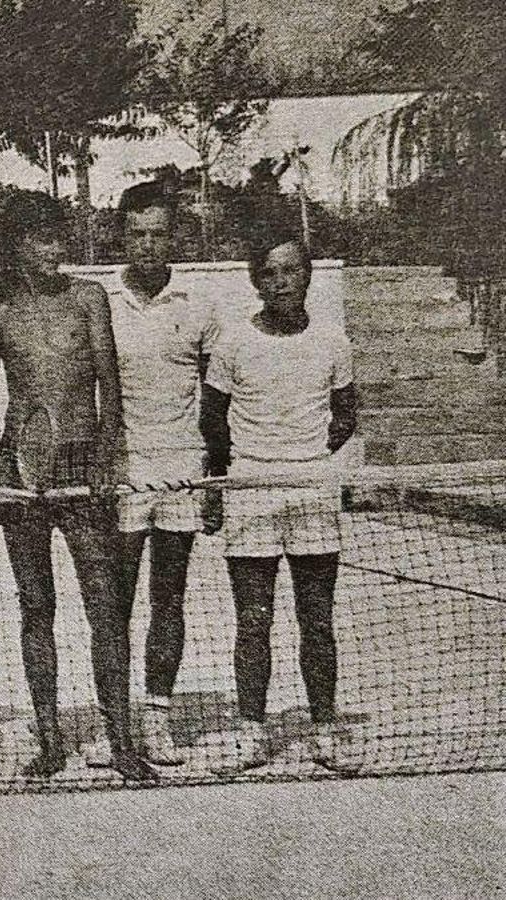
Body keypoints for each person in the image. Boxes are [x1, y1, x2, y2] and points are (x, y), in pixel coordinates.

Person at [0, 190, 155, 782]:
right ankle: (49, 738)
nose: (50, 250)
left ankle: (124, 740)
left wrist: (105, 460)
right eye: (37, 239)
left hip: (81, 466)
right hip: (24, 473)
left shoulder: (88, 297)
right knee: (36, 606)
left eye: (57, 238)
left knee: (105, 607)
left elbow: (110, 387)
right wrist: (1, 473)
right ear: (16, 246)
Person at [201, 231, 360, 774]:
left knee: (316, 620)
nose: (280, 283)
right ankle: (250, 730)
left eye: (290, 271)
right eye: (268, 274)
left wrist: (309, 456)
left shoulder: (334, 341)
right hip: (249, 493)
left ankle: (323, 730)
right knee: (253, 620)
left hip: (313, 492)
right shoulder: (232, 344)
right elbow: (211, 421)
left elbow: (346, 414)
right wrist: (226, 482)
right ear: (255, 282)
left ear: (308, 275)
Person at [88, 181, 222, 768]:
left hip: (182, 469)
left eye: (158, 234)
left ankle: (156, 717)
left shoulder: (200, 306)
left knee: (168, 598)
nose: (147, 245)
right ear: (122, 236)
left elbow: (217, 406)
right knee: (112, 604)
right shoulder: (96, 301)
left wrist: (214, 480)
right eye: (136, 233)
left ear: (173, 238)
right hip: (119, 469)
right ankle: (114, 725)